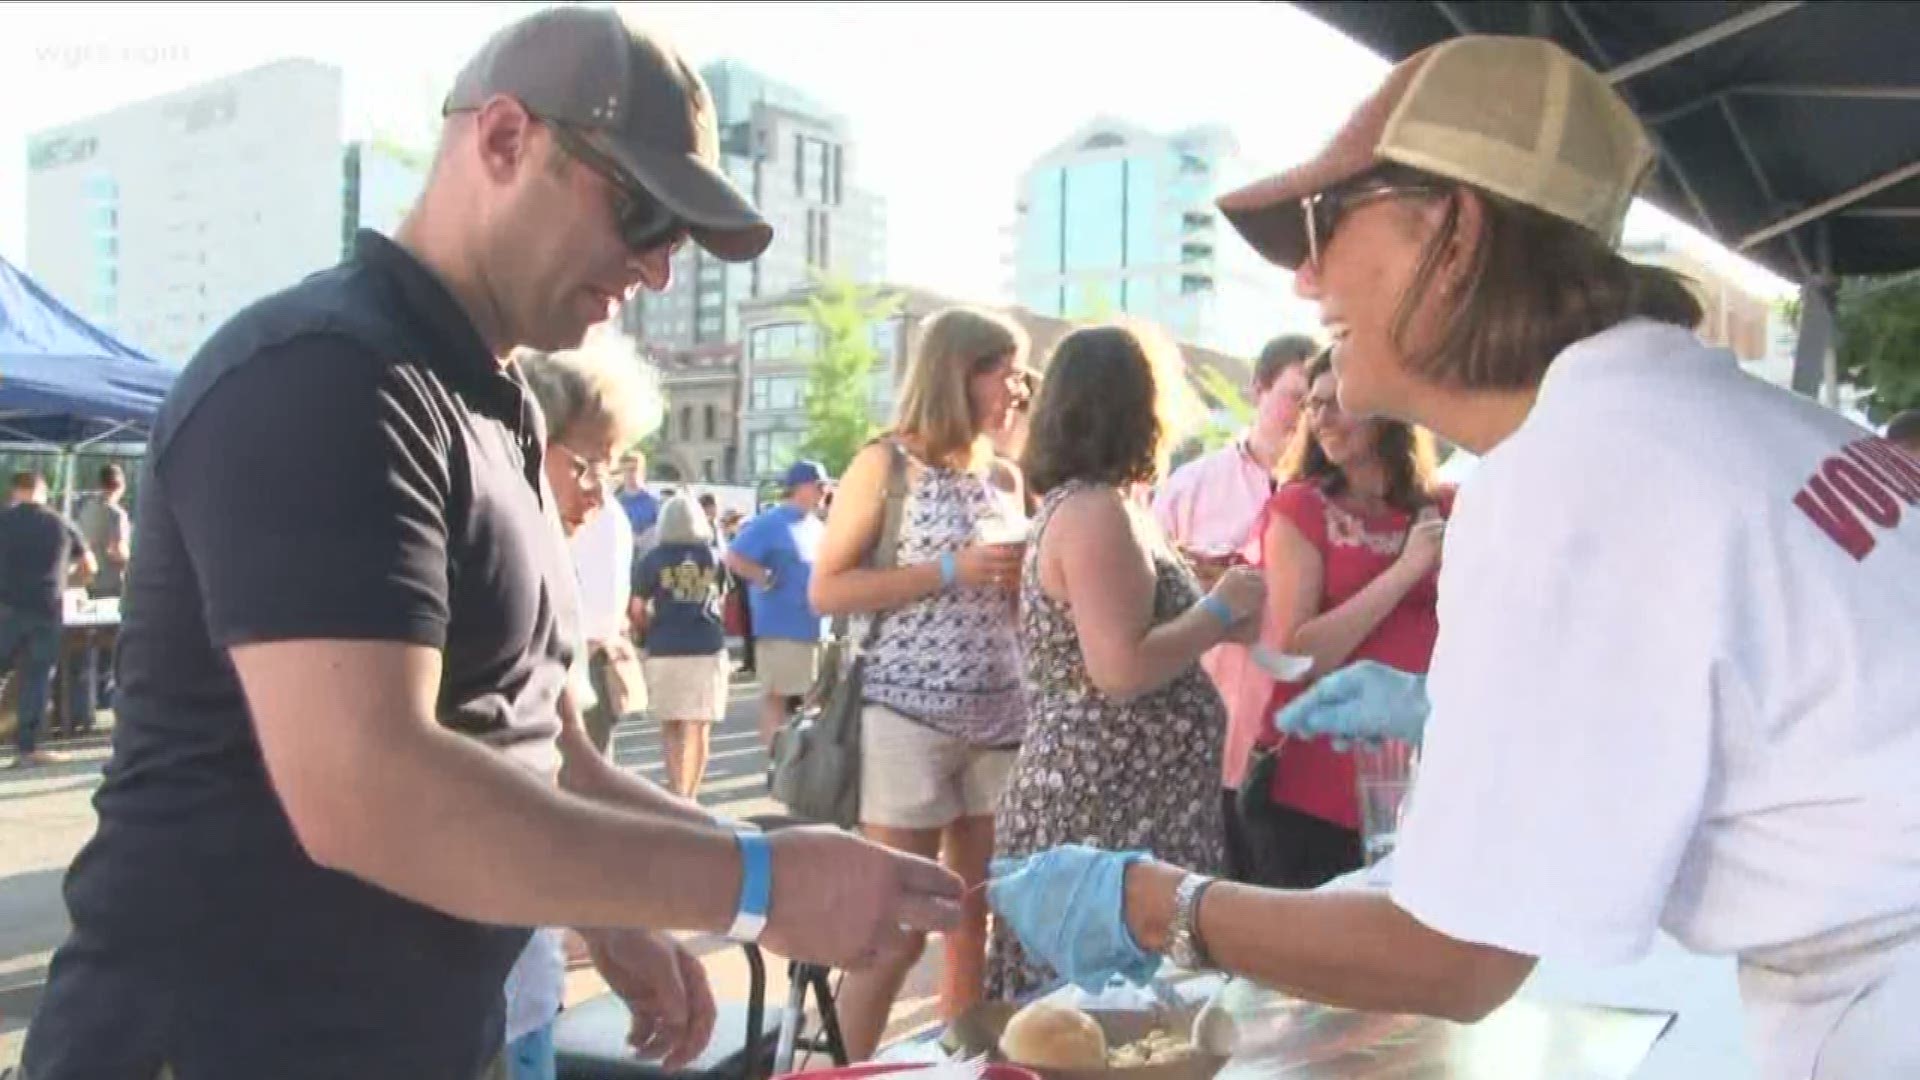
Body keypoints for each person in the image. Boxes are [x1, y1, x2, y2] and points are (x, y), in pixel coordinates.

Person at [23, 9, 961, 1078]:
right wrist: (754, 883)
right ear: (505, 139)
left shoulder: (497, 404)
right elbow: (369, 789)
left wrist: (615, 900)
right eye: (641, 212)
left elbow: (540, 743)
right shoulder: (325, 377)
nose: (655, 269)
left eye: (677, 243)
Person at [988, 34, 1920, 1080]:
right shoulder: (1733, 424)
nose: (1304, 280)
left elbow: (1459, 959)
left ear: (1456, 229)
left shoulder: (1569, 471)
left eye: (1322, 223)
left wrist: (1158, 903)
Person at [985, 323, 1266, 1002]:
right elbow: (1119, 669)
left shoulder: (1105, 508)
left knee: (1132, 1024)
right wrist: (1218, 611)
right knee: (1099, 1024)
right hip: (1106, 807)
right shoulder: (1093, 512)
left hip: (1131, 801)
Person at [809, 306, 1032, 1059]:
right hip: (906, 714)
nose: (1016, 384)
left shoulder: (1004, 473)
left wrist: (1019, 584)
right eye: (1002, 368)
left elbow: (1013, 605)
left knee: (975, 920)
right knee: (895, 927)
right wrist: (948, 570)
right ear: (956, 371)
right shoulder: (886, 465)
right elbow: (827, 591)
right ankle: (840, 1072)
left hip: (1001, 718)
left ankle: (963, 1065)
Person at [498, 336, 656, 1080]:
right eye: (583, 463)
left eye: (609, 467)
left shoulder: (548, 571)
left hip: (523, 972)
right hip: (468, 985)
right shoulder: (495, 579)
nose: (598, 488)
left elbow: (576, 768)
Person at [1236, 350, 1449, 889]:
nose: (1322, 418)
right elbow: (1295, 656)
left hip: (1428, 779)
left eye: (1339, 403)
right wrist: (1403, 573)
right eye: (1313, 405)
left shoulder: (1445, 507)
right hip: (1319, 787)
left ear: (1387, 409)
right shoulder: (1302, 508)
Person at [1149, 333, 1315, 884]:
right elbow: (1147, 598)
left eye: (1319, 400)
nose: (1307, 413)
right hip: (1204, 735)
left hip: (1301, 740)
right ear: (1258, 390)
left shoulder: (1335, 495)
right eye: (1295, 395)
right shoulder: (1190, 488)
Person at [725, 460, 831, 751]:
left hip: (816, 627)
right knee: (778, 696)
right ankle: (776, 761)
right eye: (818, 485)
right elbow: (733, 557)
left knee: (815, 698)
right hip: (781, 627)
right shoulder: (771, 522)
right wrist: (763, 577)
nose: (824, 491)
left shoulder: (817, 525)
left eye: (825, 485)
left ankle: (805, 763)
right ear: (798, 487)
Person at [635, 493, 732, 799]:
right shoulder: (714, 557)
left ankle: (675, 790)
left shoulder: (651, 559)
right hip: (706, 646)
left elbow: (636, 607)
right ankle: (691, 794)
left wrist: (646, 631)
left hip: (665, 646)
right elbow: (724, 602)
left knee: (671, 723)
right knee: (698, 725)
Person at [0, 471, 96, 769]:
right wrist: (64, 580)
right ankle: (28, 749)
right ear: (43, 491)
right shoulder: (62, 522)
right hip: (47, 609)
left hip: (6, 608)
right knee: (37, 678)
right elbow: (89, 566)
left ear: (16, 491)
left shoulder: (3, 520)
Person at [75, 463, 132, 599]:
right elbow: (117, 551)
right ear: (121, 486)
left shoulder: (86, 508)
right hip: (110, 582)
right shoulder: (116, 514)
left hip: (88, 580)